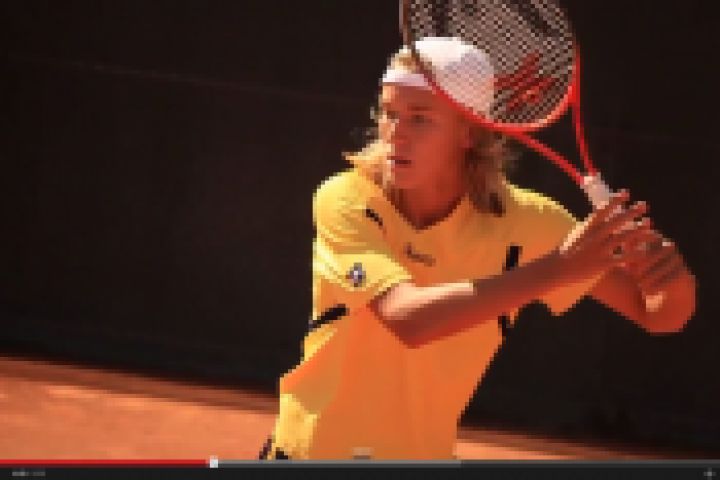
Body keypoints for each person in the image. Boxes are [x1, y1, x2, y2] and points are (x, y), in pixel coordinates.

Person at [259, 38, 696, 461]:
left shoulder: (529, 223)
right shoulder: (347, 199)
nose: (396, 134)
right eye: (389, 113)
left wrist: (669, 276)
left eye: (420, 119)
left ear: (469, 132)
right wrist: (559, 268)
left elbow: (658, 314)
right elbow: (408, 319)